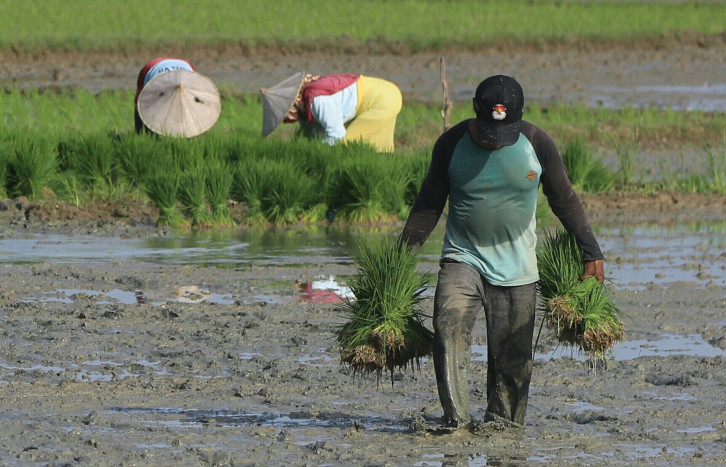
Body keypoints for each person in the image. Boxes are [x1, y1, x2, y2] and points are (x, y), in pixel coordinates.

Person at [400, 75, 605, 428]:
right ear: (475, 114)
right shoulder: (451, 144)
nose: (495, 143)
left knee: (514, 362)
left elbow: (564, 199)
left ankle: (503, 429)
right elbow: (428, 206)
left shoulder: (537, 143)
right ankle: (457, 423)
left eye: (504, 134)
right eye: (488, 132)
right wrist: (398, 263)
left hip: (517, 267)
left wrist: (592, 252)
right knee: (448, 325)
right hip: (463, 257)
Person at [281, 73, 402, 153]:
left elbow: (337, 135)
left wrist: (316, 152)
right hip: (385, 91)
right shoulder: (305, 106)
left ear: (294, 104)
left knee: (347, 146)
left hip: (383, 100)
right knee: (375, 150)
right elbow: (313, 134)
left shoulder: (318, 102)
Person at [134, 57, 197, 134]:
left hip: (185, 65)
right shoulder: (155, 88)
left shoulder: (193, 79)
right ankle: (142, 134)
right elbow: (140, 105)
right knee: (142, 106)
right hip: (151, 68)